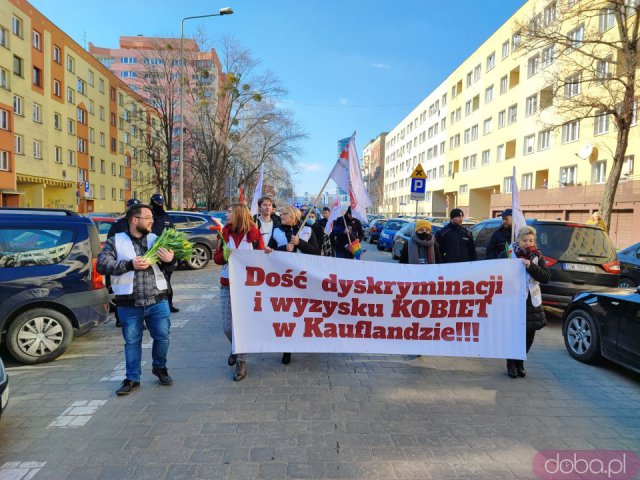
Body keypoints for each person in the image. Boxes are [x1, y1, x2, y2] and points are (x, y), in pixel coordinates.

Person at [97, 204, 177, 396]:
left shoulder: (156, 240)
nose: (152, 221)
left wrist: (170, 261)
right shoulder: (115, 241)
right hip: (128, 302)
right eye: (148, 217)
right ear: (135, 220)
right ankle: (132, 378)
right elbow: (102, 264)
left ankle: (160, 367)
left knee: (163, 337)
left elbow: (171, 266)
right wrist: (129, 264)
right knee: (132, 342)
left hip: (157, 300)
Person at [213, 203, 265, 382]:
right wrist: (225, 255)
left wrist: (268, 253)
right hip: (227, 283)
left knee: (242, 326)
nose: (226, 214)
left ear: (238, 214)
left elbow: (262, 257)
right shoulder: (223, 233)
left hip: (248, 286)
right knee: (228, 327)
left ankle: (241, 363)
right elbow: (217, 258)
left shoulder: (254, 234)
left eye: (229, 212)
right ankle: (235, 348)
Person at [268, 205, 320, 365]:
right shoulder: (276, 231)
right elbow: (270, 251)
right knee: (287, 314)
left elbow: (317, 253)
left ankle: (307, 341)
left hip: (304, 279)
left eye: (284, 214)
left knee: (304, 312)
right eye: (281, 213)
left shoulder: (307, 231)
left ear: (293, 216)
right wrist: (284, 248)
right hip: (284, 279)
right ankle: (287, 348)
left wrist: (300, 243)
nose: (281, 216)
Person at [502, 226, 551, 378]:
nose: (528, 243)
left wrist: (531, 266)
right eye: (524, 240)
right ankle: (511, 363)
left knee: (529, 335)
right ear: (518, 240)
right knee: (514, 334)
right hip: (513, 300)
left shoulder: (537, 256)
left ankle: (520, 362)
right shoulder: (509, 254)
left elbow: (546, 277)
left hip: (531, 301)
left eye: (531, 240)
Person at [107, 198, 142, 328]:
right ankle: (119, 318)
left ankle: (140, 320)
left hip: (139, 264)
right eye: (131, 207)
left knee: (139, 292)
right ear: (127, 208)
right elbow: (111, 242)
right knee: (121, 293)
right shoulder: (119, 224)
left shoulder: (141, 225)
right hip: (122, 265)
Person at [150, 194, 179, 313]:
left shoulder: (165, 215)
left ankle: (169, 304)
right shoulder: (150, 215)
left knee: (167, 280)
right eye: (158, 202)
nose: (160, 204)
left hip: (166, 253)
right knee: (158, 281)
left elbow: (172, 231)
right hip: (153, 253)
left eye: (161, 202)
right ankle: (157, 305)